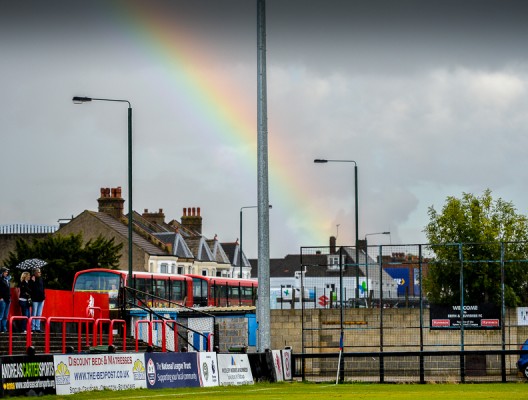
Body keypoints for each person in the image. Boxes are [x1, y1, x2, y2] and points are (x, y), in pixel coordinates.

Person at [29, 268, 45, 333]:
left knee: (39, 314)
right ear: (35, 273)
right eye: (38, 272)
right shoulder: (32, 280)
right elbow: (32, 288)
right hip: (35, 298)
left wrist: (44, 296)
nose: (40, 273)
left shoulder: (41, 279)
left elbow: (42, 287)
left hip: (41, 298)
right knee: (34, 313)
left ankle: (37, 327)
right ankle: (33, 327)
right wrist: (33, 281)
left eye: (40, 272)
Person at [0, 267, 12, 333]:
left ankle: (4, 328)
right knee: (1, 315)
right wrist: (1, 297)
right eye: (5, 272)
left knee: (5, 315)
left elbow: (8, 290)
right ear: (2, 272)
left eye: (7, 272)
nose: (6, 273)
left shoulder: (7, 280)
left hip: (8, 299)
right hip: (2, 299)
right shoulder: (0, 279)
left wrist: (10, 297)